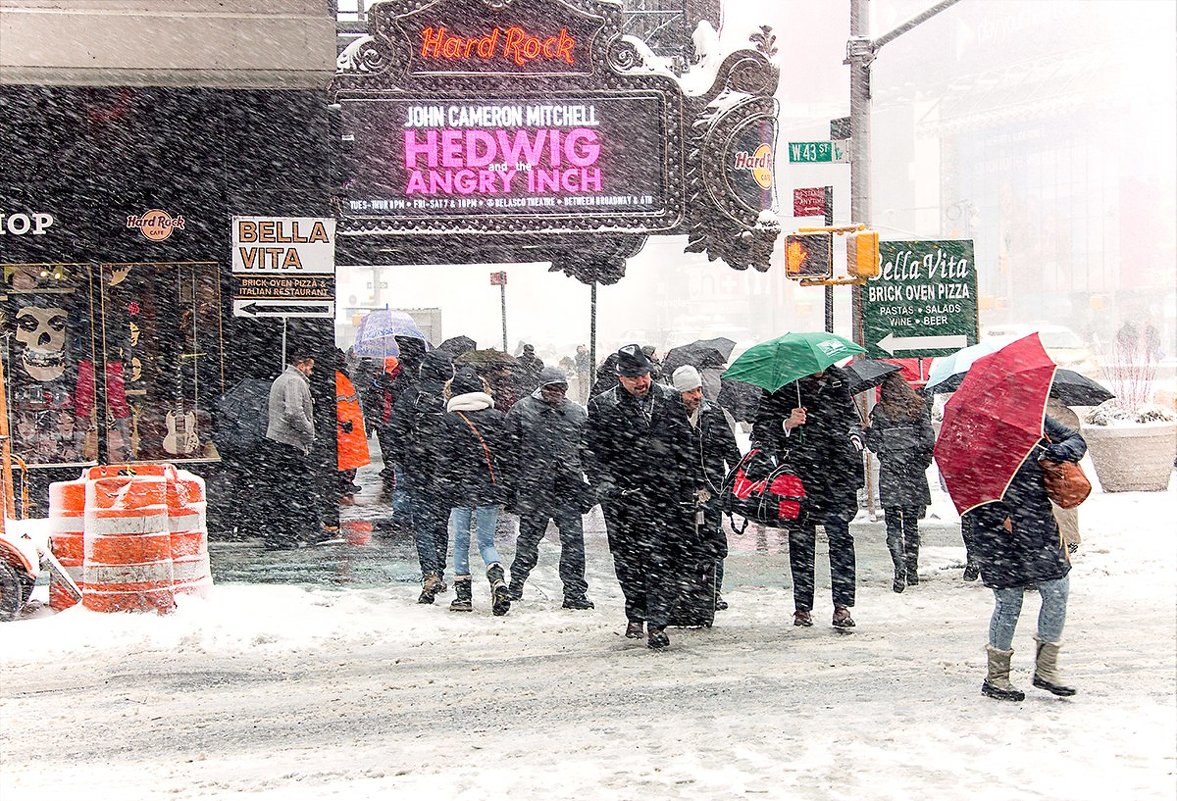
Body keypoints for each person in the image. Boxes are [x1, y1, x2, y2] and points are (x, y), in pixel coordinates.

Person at [968, 415, 1086, 701]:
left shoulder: (1034, 417)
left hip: (1038, 522)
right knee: (1009, 602)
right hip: (996, 529)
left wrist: (1060, 451)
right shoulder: (973, 429)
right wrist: (998, 516)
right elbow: (966, 485)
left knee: (1057, 591)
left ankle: (1046, 670)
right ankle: (996, 678)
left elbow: (1077, 441)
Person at [583, 344, 693, 649]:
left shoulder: (670, 398)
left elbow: (684, 444)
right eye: (633, 378)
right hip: (623, 498)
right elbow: (592, 452)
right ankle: (635, 609)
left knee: (661, 557)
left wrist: (688, 484)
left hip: (662, 494)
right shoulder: (603, 406)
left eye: (643, 375)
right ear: (620, 377)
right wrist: (605, 484)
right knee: (628, 559)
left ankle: (658, 622)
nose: (640, 382)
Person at [752, 367, 864, 629]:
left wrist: (854, 436)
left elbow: (852, 421)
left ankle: (842, 606)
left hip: (838, 475)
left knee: (841, 540)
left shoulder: (839, 382)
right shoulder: (781, 386)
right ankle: (802, 607)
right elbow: (760, 432)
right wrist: (787, 424)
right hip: (799, 478)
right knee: (801, 543)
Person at [502, 366, 594, 609]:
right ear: (540, 388)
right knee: (528, 541)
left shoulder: (576, 413)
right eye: (550, 388)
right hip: (535, 487)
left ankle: (574, 592)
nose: (556, 392)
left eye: (560, 388)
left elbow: (588, 451)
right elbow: (508, 452)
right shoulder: (522, 410)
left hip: (568, 486)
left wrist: (590, 486)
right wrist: (511, 488)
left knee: (573, 543)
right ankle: (516, 585)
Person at [439, 368, 511, 616]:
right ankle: (497, 578)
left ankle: (463, 596)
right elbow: (506, 454)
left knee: (460, 540)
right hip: (489, 485)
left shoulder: (449, 419)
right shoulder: (497, 417)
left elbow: (444, 458)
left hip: (460, 488)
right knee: (486, 541)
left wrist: (442, 483)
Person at [672, 365, 742, 611]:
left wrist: (733, 484)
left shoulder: (713, 414)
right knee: (682, 542)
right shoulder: (669, 416)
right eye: (690, 391)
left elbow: (732, 452)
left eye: (699, 389)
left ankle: (713, 591)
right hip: (679, 492)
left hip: (711, 489)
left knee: (713, 540)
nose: (697, 396)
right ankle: (684, 592)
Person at [388, 350, 454, 603]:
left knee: (424, 525)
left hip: (418, 471)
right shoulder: (450, 397)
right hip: (447, 472)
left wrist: (405, 461)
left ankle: (430, 573)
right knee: (441, 524)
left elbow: (394, 431)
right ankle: (440, 570)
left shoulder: (411, 396)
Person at [865, 374, 935, 593]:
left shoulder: (881, 411)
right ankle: (912, 570)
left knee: (893, 525)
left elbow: (875, 445)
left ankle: (899, 571)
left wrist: (868, 433)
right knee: (911, 524)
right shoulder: (918, 407)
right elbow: (928, 438)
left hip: (891, 473)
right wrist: (920, 459)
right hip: (912, 472)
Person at [264, 352, 318, 550]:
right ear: (302, 364)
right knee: (291, 489)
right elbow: (294, 412)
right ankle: (285, 534)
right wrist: (309, 431)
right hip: (288, 443)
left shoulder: (284, 380)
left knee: (290, 487)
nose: (311, 372)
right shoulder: (294, 381)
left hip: (280, 442)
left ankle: (306, 528)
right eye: (310, 367)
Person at [1045, 397, 1083, 553]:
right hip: (1067, 471)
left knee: (1048, 506)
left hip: (1045, 467)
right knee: (1066, 503)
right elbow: (1078, 444)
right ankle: (1070, 538)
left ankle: (1056, 540)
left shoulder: (1036, 414)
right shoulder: (1070, 414)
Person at [335, 351, 370, 506]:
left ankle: (347, 483)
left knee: (349, 458)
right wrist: (345, 419)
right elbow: (341, 401)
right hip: (347, 426)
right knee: (347, 458)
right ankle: (345, 484)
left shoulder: (342, 377)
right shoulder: (339, 378)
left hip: (349, 424)